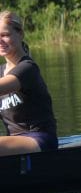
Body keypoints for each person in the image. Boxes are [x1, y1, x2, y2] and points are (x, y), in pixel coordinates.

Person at [0, 11, 58, 156]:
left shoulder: (27, 68)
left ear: (20, 34)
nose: (0, 40)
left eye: (5, 35)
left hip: (39, 139)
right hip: (13, 142)